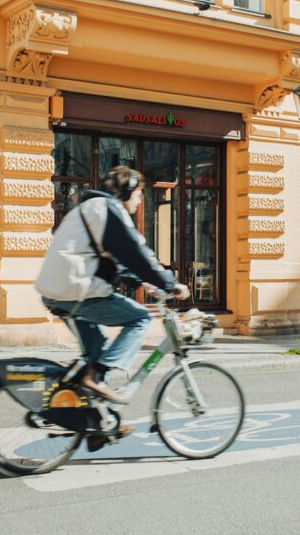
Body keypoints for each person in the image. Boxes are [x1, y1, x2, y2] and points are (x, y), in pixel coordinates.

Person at [35, 166, 189, 407]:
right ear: (126, 191)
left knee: (97, 352)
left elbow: (114, 261)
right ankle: (94, 378)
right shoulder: (108, 209)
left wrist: (142, 283)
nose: (140, 201)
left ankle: (95, 421)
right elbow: (135, 253)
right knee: (139, 318)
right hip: (76, 288)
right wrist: (170, 283)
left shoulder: (91, 209)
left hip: (58, 290)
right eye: (139, 194)